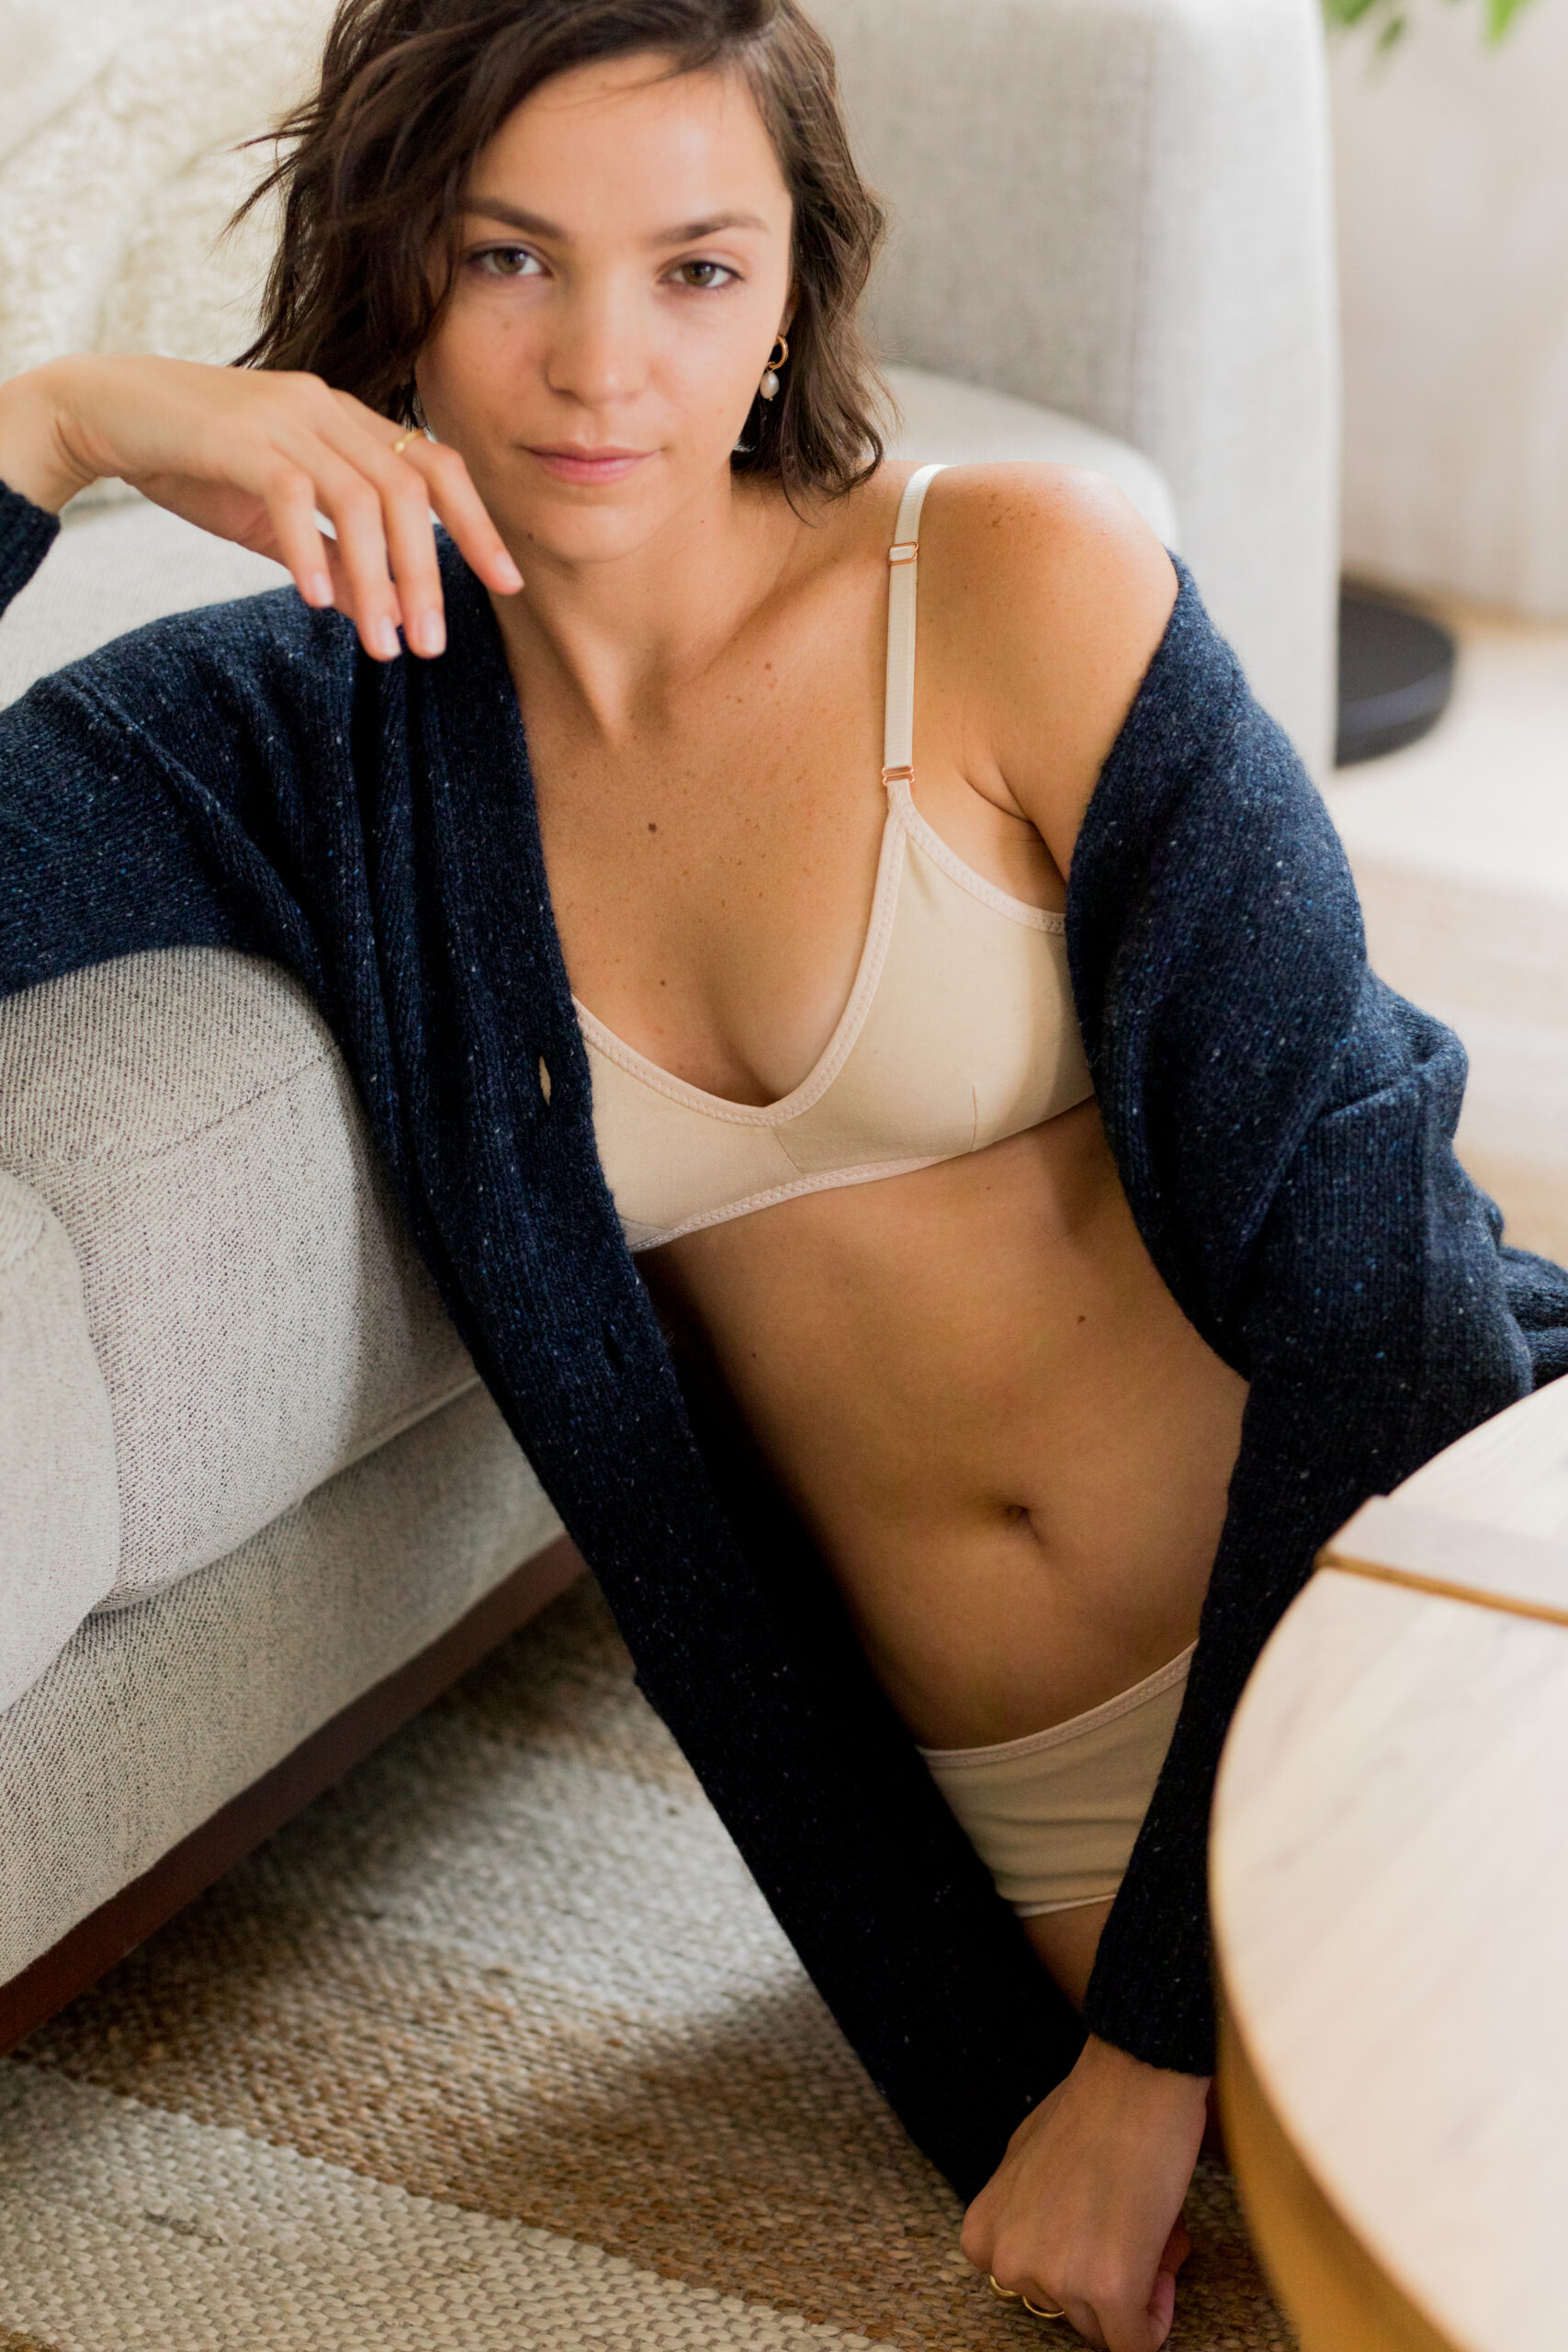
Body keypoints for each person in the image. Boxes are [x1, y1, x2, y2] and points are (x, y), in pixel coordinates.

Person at [2, 3, 1562, 2345]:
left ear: (796, 290)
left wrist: (1146, 2061)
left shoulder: (1012, 583)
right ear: (388, 260)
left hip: (1427, 1624)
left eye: (696, 269)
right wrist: (59, 417)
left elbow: (1387, 1309)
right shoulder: (293, 737)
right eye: (510, 256)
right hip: (1019, 1832)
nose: (598, 364)